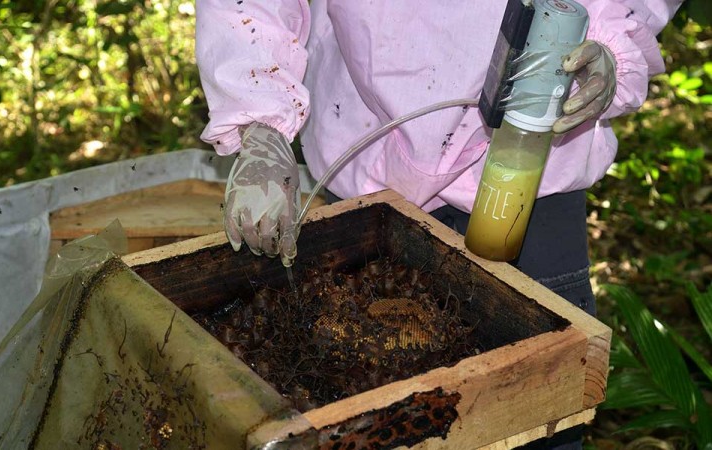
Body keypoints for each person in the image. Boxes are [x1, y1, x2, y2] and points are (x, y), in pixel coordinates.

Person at [195, 0, 681, 448]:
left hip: (532, 169)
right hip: (368, 170)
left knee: (535, 409)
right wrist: (259, 118)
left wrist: (614, 43)